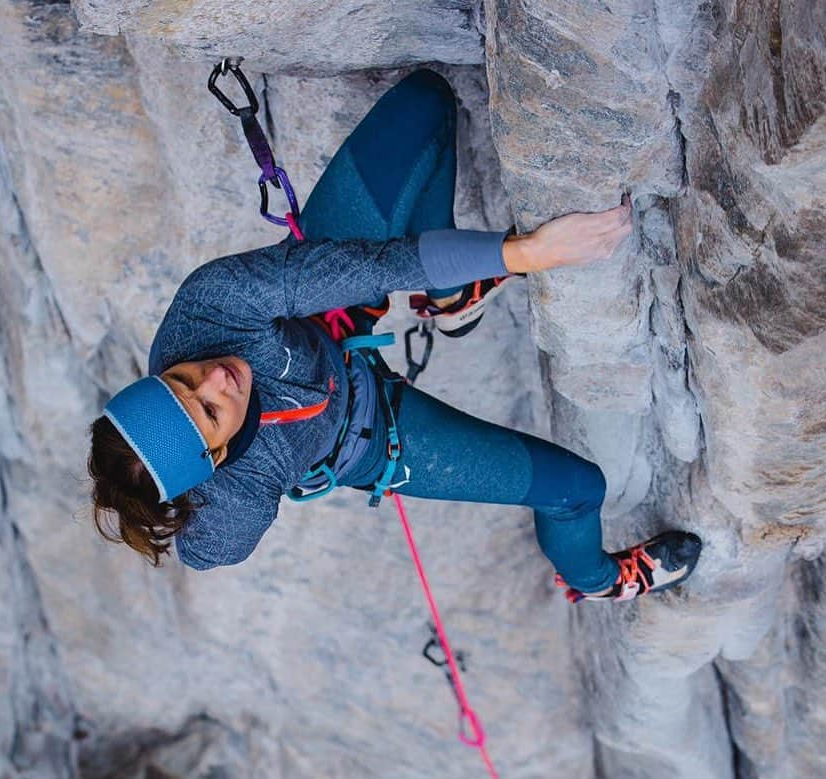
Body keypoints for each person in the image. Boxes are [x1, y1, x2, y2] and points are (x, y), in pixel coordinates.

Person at [88, 70, 701, 602]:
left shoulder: (207, 309)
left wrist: (527, 253)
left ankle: (452, 295)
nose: (214, 378)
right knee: (577, 489)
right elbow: (205, 553)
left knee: (425, 103)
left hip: (328, 312)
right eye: (211, 411)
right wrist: (155, 506)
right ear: (217, 457)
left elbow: (368, 269)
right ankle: (597, 581)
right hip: (375, 439)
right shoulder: (235, 495)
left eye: (183, 380)